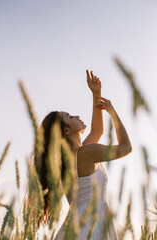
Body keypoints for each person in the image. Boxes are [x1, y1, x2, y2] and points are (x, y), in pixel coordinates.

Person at [35, 70, 132, 239]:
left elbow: (97, 130)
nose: (77, 116)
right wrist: (113, 113)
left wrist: (96, 94)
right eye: (70, 116)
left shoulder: (73, 157)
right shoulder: (86, 153)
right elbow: (126, 147)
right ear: (66, 130)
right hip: (92, 227)